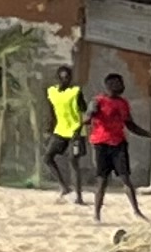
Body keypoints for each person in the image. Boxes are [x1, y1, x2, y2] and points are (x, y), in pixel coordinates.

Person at [86, 71, 140, 222]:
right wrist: (91, 113)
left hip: (118, 144)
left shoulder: (123, 103)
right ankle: (97, 214)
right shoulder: (98, 101)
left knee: (125, 178)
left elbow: (130, 125)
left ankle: (136, 211)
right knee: (102, 180)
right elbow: (86, 119)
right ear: (109, 85)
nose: (122, 86)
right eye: (118, 83)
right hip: (101, 144)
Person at [44, 63, 86, 203]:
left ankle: (79, 196)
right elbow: (52, 112)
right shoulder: (52, 92)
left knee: (73, 161)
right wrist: (49, 129)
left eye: (67, 77)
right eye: (62, 78)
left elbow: (84, 111)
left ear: (70, 78)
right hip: (60, 130)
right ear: (57, 78)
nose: (64, 80)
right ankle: (64, 187)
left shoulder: (75, 92)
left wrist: (80, 130)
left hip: (75, 132)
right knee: (48, 158)